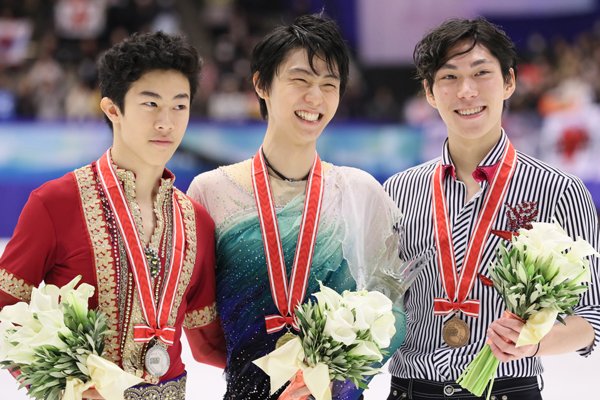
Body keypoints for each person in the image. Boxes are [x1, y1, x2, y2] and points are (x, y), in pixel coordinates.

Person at [187, 13, 406, 400]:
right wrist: (255, 363)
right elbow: (202, 331)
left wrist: (336, 378)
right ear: (262, 84)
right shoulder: (212, 192)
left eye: (329, 84)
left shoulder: (361, 193)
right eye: (301, 80)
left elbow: (394, 306)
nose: (315, 98)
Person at [0, 31, 226, 399]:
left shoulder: (196, 221)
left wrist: (298, 358)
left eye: (179, 106)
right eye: (150, 104)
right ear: (112, 109)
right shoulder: (55, 203)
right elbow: (5, 313)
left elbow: (209, 340)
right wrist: (68, 385)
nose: (166, 122)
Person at [384, 18, 600, 400]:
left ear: (509, 82)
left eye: (481, 73)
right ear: (430, 92)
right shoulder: (398, 191)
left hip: (507, 389)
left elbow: (590, 318)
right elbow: (379, 302)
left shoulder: (560, 190)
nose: (466, 91)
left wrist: (533, 342)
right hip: (411, 390)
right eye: (449, 77)